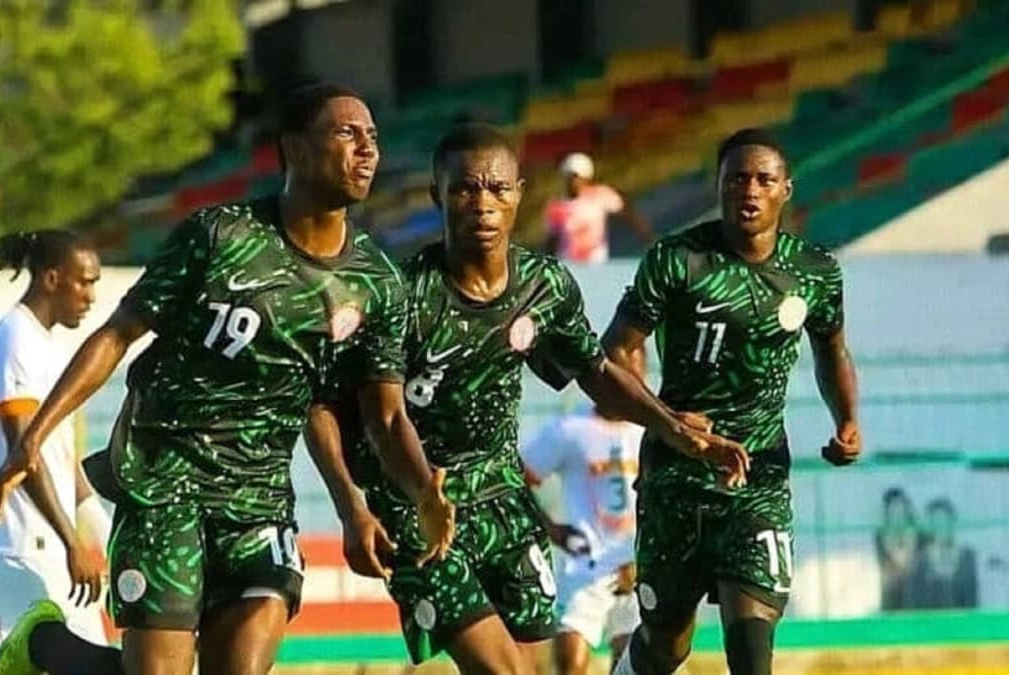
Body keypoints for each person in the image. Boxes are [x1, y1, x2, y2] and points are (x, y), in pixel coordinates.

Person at [0, 82, 455, 675]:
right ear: (297, 150)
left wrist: (397, 495)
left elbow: (375, 414)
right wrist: (33, 439)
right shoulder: (219, 236)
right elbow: (117, 334)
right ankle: (42, 647)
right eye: (347, 133)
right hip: (165, 485)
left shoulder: (377, 283)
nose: (367, 150)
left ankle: (47, 648)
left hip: (259, 503)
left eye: (374, 138)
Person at [305, 123, 749, 675]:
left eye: (497, 188)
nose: (483, 204)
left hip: (503, 502)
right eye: (466, 189)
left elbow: (598, 371)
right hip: (417, 504)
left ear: (519, 193)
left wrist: (672, 427)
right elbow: (348, 407)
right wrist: (355, 506)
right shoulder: (400, 296)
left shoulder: (544, 288)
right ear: (436, 195)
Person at [604, 128, 863, 675]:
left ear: (785, 190)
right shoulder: (677, 260)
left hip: (757, 478)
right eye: (737, 178)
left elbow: (832, 349)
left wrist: (848, 420)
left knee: (751, 650)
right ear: (718, 187)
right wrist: (669, 421)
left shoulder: (813, 272)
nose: (750, 189)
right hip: (676, 477)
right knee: (665, 645)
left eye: (764, 179)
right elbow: (614, 355)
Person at [0, 229, 110, 647]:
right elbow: (23, 454)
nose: (91, 296)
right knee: (65, 659)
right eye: (84, 281)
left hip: (47, 534)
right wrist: (72, 542)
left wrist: (100, 528)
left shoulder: (46, 345)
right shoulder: (15, 340)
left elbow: (60, 456)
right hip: (24, 538)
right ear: (52, 278)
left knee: (74, 658)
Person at [520, 385, 647, 674]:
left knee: (632, 663)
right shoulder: (570, 429)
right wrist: (550, 528)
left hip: (636, 564)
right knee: (570, 662)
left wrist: (647, 552)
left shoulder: (648, 432)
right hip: (584, 563)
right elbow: (518, 477)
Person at [543, 153, 649, 264]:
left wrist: (647, 239)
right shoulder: (557, 206)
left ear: (586, 177)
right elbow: (552, 240)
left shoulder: (599, 196)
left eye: (577, 177)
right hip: (568, 265)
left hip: (596, 264)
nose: (573, 182)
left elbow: (629, 215)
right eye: (570, 177)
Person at [909, 497, 978, 609]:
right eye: (936, 522)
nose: (941, 527)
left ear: (952, 523)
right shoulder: (919, 559)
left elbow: (972, 602)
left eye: (945, 521)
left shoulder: (968, 556)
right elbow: (914, 606)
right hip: (928, 625)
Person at [875, 487, 921, 611]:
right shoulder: (880, 539)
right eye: (893, 509)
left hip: (919, 607)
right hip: (890, 607)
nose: (898, 513)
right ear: (887, 513)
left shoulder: (921, 537)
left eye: (901, 508)